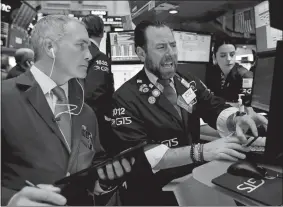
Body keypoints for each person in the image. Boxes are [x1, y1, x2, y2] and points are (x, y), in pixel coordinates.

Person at [106, 20, 268, 205]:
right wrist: (201, 151)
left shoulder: (186, 81)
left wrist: (236, 118)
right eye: (161, 47)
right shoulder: (125, 98)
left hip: (191, 182)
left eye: (173, 45)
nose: (171, 54)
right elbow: (144, 155)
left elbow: (213, 106)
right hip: (153, 193)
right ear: (141, 53)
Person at [1, 15, 133, 206]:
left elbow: (95, 161)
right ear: (50, 48)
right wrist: (9, 200)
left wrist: (103, 181)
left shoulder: (85, 111)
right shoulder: (4, 98)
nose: (89, 55)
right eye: (81, 45)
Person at [81, 14, 115, 149]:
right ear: (102, 32)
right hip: (92, 124)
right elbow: (93, 93)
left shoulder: (76, 52)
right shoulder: (99, 57)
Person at [206, 38, 253, 103]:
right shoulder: (211, 73)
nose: (228, 59)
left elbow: (247, 105)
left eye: (232, 55)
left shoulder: (245, 76)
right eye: (223, 55)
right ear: (214, 58)